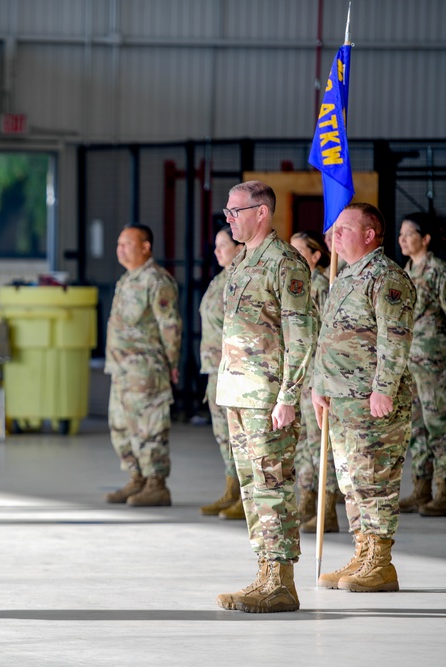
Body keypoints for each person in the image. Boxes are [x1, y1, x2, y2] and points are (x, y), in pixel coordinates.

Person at [214, 181, 315, 614]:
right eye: (227, 212)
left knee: (272, 484)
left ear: (262, 212)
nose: (229, 218)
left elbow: (300, 333)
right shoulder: (241, 263)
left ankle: (281, 582)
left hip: (267, 396)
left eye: (236, 211)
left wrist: (289, 395)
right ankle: (265, 572)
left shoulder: (284, 263)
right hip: (239, 392)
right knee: (254, 488)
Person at [312, 203, 415, 592]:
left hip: (371, 401)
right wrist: (320, 387)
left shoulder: (386, 277)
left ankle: (380, 562)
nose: (335, 235)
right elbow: (330, 337)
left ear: (369, 235)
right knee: (352, 482)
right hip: (341, 401)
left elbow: (395, 336)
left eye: (344, 229)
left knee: (375, 480)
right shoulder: (344, 277)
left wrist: (384, 389)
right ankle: (362, 552)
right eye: (335, 229)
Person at [104, 224, 181, 506]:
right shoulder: (127, 279)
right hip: (121, 371)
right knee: (121, 428)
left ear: (146, 247)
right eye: (118, 243)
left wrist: (171, 363)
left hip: (145, 371)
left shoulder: (156, 280)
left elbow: (169, 325)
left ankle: (156, 484)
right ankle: (136, 478)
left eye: (127, 243)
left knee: (149, 429)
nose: (120, 249)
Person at [290, 230, 340, 533]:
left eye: (299, 251)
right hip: (299, 376)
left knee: (322, 444)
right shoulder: (296, 287)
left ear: (315, 255)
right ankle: (307, 499)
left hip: (317, 377)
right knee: (303, 445)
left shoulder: (322, 286)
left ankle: (327, 509)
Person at [397, 212, 446, 517]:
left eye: (409, 234)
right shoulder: (405, 271)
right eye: (400, 234)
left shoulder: (437, 270)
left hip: (433, 362)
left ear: (425, 238)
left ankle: (443, 490)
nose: (402, 239)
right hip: (409, 361)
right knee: (416, 428)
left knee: (438, 425)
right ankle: (421, 488)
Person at [198, 226, 244, 518]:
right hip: (215, 368)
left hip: (234, 371)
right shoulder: (220, 279)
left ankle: (247, 496)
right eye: (215, 245)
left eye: (223, 245)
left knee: (240, 435)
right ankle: (232, 489)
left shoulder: (242, 280)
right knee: (223, 434)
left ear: (240, 248)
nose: (217, 251)